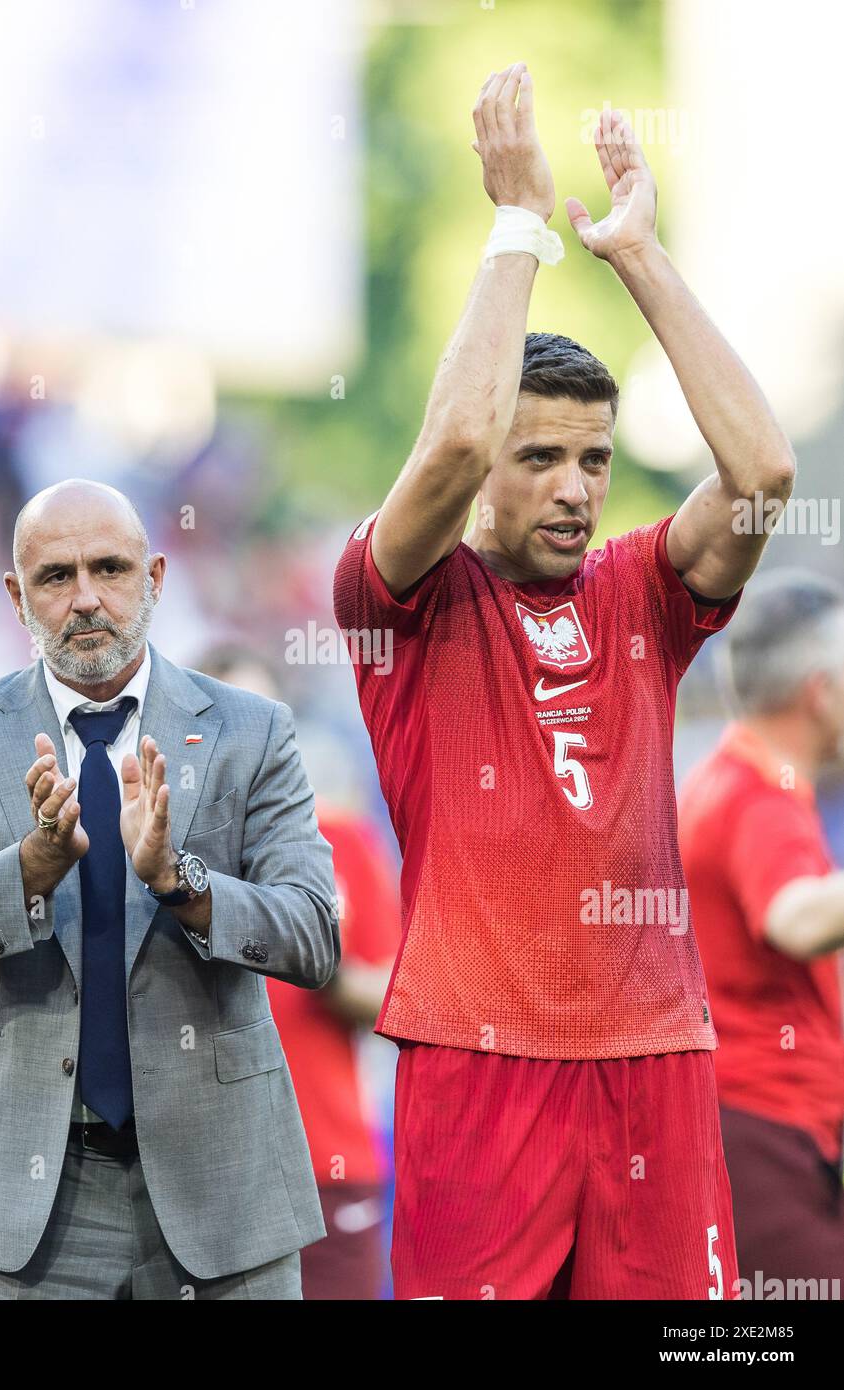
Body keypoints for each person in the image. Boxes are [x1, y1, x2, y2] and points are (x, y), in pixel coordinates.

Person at [332, 63, 796, 1299]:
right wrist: (518, 230)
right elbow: (457, 440)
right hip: (477, 1059)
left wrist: (639, 257)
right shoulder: (397, 595)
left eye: (592, 458)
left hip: (656, 1054)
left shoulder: (643, 587)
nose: (575, 487)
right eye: (541, 458)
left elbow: (761, 474)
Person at [0, 480, 338, 1300]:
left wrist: (182, 883)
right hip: (28, 1202)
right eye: (56, 577)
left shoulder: (252, 729)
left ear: (158, 576)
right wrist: (30, 867)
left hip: (221, 1185)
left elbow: (312, 935)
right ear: (14, 595)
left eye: (111, 568)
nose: (87, 598)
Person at [200, 642, 401, 1300]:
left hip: (326, 1166)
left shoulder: (340, 841)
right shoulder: (154, 860)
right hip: (201, 1179)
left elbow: (399, 995)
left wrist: (326, 969)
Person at [679, 570, 844, 1297]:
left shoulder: (729, 775)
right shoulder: (759, 799)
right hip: (760, 1130)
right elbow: (795, 919)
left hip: (752, 1126)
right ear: (820, 692)